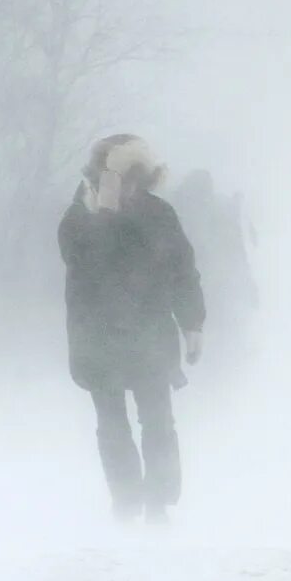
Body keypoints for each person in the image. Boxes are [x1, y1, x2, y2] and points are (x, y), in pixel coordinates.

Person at [58, 134, 205, 523]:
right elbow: (85, 262)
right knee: (111, 422)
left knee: (157, 419)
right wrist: (103, 213)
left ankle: (158, 503)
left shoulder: (158, 214)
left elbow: (182, 270)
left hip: (150, 334)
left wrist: (193, 322)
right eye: (120, 179)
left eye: (135, 179)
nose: (130, 189)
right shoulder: (79, 219)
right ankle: (125, 500)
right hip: (97, 336)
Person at [171, 168, 259, 321]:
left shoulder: (218, 210)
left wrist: (247, 283)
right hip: (201, 282)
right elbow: (236, 250)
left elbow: (235, 249)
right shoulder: (184, 210)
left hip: (209, 283)